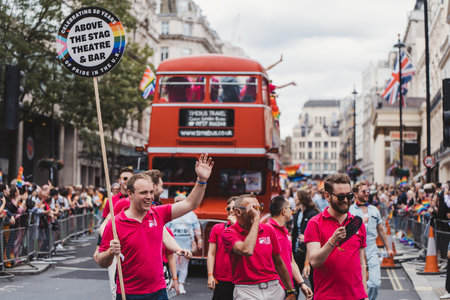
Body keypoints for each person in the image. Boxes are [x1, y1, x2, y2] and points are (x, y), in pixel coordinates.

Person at [97, 154, 213, 300]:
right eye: (144, 193)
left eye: (151, 192)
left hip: (158, 291)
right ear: (130, 194)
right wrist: (109, 252)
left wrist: (201, 181)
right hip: (129, 294)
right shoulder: (116, 224)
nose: (149, 197)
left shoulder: (158, 213)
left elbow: (190, 203)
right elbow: (100, 260)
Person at [305, 173, 368, 300]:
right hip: (327, 296)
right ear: (327, 196)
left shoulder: (357, 223)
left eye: (349, 196)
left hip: (357, 296)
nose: (346, 200)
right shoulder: (314, 223)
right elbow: (314, 262)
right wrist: (333, 241)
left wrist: (365, 295)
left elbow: (361, 263)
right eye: (341, 197)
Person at [222, 194, 296, 300]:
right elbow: (246, 250)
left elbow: (279, 262)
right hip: (247, 290)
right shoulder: (229, 233)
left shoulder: (268, 230)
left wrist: (290, 291)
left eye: (259, 208)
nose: (258, 212)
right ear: (238, 212)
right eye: (253, 208)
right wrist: (256, 220)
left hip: (273, 287)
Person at [349, 181, 394, 300]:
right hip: (355, 252)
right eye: (363, 191)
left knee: (375, 284)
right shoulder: (350, 210)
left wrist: (388, 247)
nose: (367, 193)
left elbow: (381, 229)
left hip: (372, 250)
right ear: (355, 193)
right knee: (357, 286)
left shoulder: (374, 209)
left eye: (368, 191)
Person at [268, 196, 313, 300]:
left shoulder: (285, 232)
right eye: (289, 207)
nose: (292, 210)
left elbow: (291, 261)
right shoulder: (268, 230)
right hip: (273, 290)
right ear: (284, 211)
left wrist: (301, 283)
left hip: (288, 289)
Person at [166, 193, 202, 294]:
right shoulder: (171, 213)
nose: (180, 203)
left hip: (187, 243)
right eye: (177, 201)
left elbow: (196, 228)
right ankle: (174, 282)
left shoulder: (191, 215)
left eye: (182, 201)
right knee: (173, 263)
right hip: (173, 244)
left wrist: (199, 240)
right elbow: (166, 228)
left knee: (184, 265)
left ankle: (181, 284)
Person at [207, 196, 238, 300]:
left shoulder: (248, 230)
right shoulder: (217, 228)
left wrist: (235, 225)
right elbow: (211, 254)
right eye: (228, 209)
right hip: (222, 278)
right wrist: (210, 275)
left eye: (234, 208)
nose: (231, 211)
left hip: (242, 279)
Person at [292, 190, 319, 296]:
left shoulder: (313, 213)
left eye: (296, 196)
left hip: (309, 252)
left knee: (312, 281)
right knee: (296, 282)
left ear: (302, 198)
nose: (294, 199)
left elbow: (315, 233)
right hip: (296, 251)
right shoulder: (298, 212)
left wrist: (307, 237)